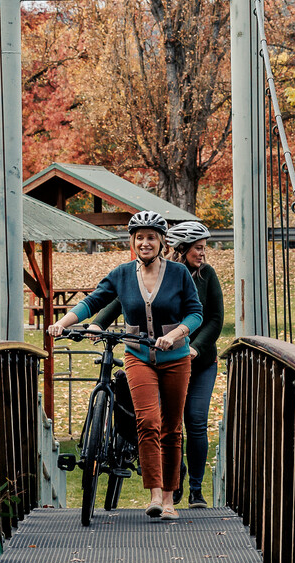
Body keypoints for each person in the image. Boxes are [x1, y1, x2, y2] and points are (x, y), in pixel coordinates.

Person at [50, 211, 203, 520]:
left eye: (151, 237)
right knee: (148, 422)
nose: (144, 243)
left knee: (172, 428)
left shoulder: (178, 274)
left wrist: (175, 335)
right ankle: (155, 494)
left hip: (175, 359)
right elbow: (93, 301)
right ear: (133, 242)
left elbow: (195, 313)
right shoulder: (121, 274)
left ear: (161, 242)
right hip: (138, 356)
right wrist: (62, 323)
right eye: (139, 238)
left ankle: (171, 499)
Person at [167, 219, 223, 507]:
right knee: (171, 424)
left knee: (197, 422)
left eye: (204, 248)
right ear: (182, 249)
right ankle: (176, 477)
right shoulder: (161, 274)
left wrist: (197, 349)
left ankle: (197, 490)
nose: (203, 253)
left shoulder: (207, 275)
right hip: (169, 362)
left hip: (201, 362)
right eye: (198, 248)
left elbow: (216, 319)